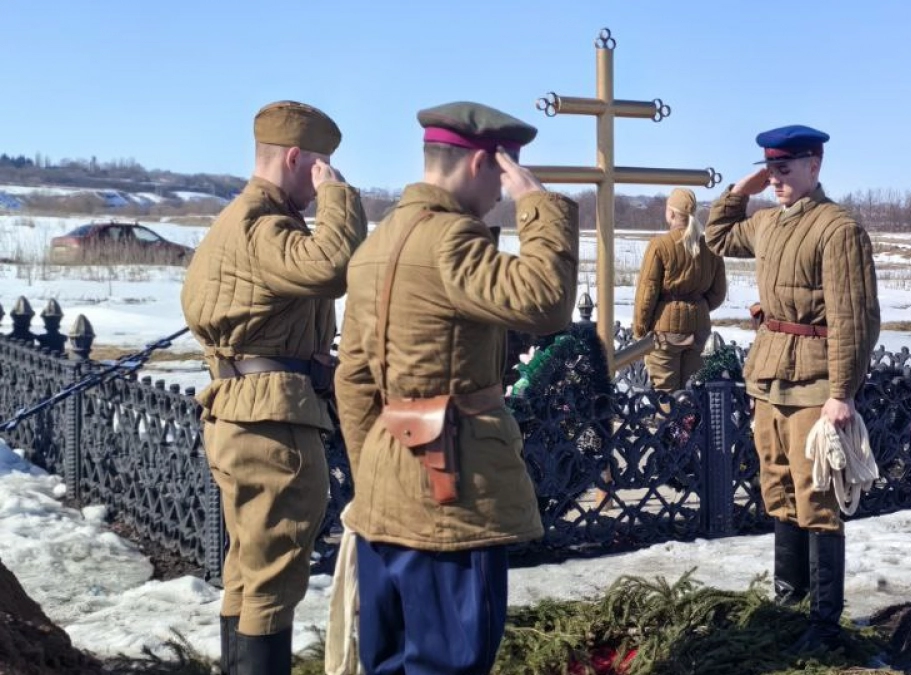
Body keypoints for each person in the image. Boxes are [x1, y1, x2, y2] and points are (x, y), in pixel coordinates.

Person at [334, 101, 579, 675]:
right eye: (503, 175)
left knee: (387, 661)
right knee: (449, 661)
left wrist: (374, 478)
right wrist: (536, 203)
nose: (501, 193)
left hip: (386, 492)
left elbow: (353, 380)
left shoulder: (375, 245)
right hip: (453, 496)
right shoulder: (452, 242)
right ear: (479, 165)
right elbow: (545, 302)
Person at [181, 100, 367, 674]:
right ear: (294, 158)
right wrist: (338, 196)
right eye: (317, 167)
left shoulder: (237, 220)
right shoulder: (264, 226)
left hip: (244, 409)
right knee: (273, 576)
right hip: (270, 422)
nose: (319, 182)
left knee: (250, 571)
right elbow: (332, 264)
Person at [705, 124, 880, 652]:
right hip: (769, 377)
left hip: (815, 383)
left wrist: (842, 392)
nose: (777, 178)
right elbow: (717, 234)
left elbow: (853, 317)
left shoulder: (837, 227)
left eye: (785, 168)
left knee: (817, 495)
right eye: (771, 169)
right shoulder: (767, 222)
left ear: (815, 166)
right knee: (779, 488)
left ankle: (824, 621)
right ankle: (790, 601)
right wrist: (742, 188)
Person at [632, 187, 727, 390]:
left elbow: (646, 293)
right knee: (694, 392)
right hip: (700, 330)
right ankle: (690, 423)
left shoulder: (660, 245)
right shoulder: (710, 246)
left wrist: (640, 328)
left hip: (666, 332)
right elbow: (718, 293)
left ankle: (669, 423)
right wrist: (697, 307)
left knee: (666, 392)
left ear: (672, 213)